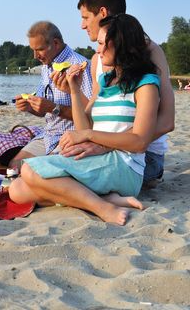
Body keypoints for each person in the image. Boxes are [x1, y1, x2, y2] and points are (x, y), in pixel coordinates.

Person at [9, 14, 159, 225]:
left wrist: (90, 135)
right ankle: (103, 198)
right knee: (17, 190)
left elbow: (140, 141)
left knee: (29, 169)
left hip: (124, 166)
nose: (96, 51)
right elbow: (83, 126)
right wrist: (74, 89)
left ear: (120, 44)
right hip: (99, 161)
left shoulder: (146, 85)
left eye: (100, 44)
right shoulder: (105, 81)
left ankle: (103, 208)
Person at [53, 0, 175, 185]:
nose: (82, 26)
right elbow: (93, 114)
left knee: (58, 177)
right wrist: (72, 90)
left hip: (143, 158)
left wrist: (104, 146)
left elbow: (167, 121)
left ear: (102, 12)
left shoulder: (149, 51)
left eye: (85, 18)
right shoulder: (97, 60)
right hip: (104, 147)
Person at [8, 21, 92, 169]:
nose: (35, 55)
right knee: (14, 167)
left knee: (40, 172)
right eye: (33, 50)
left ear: (56, 43)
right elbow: (44, 111)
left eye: (39, 49)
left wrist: (53, 108)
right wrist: (30, 107)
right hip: (48, 135)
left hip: (72, 137)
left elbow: (90, 116)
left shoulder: (79, 65)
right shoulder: (46, 66)